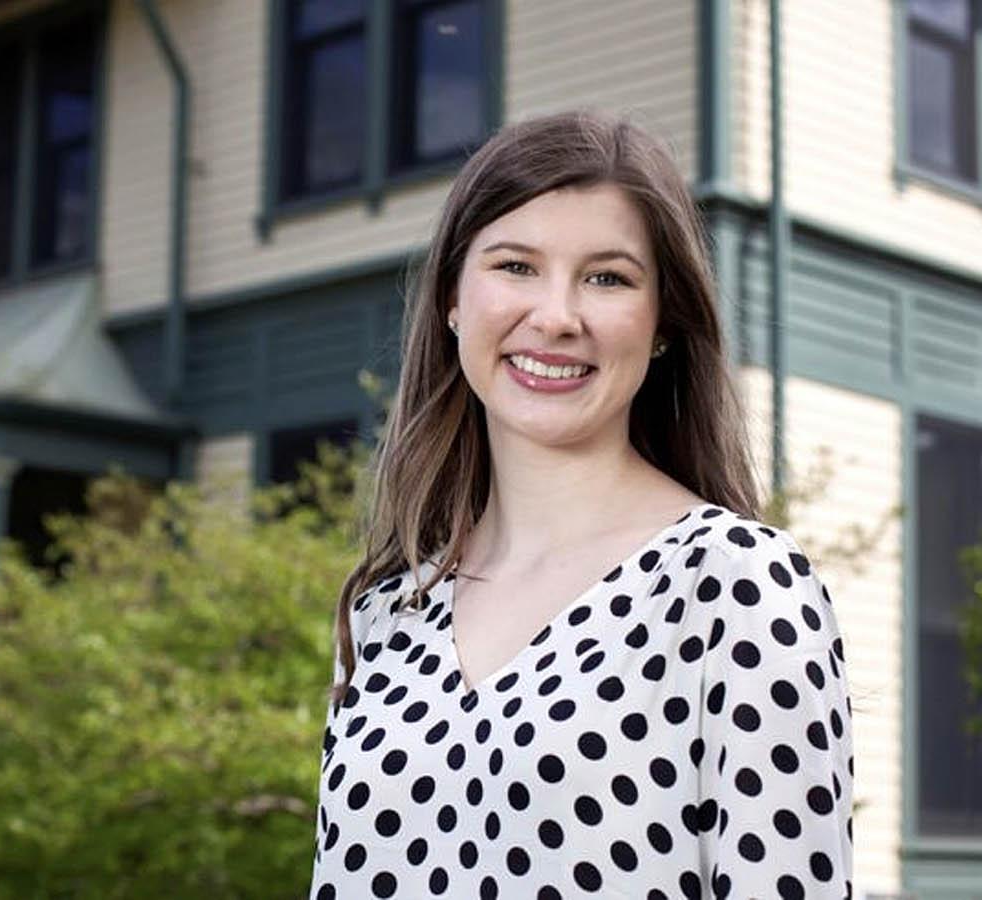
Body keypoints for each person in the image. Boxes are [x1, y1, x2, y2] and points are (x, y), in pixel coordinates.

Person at [309, 111, 855, 900]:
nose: (558, 316)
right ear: (453, 300)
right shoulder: (386, 611)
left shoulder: (736, 587)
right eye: (516, 266)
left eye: (608, 278)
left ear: (663, 323)